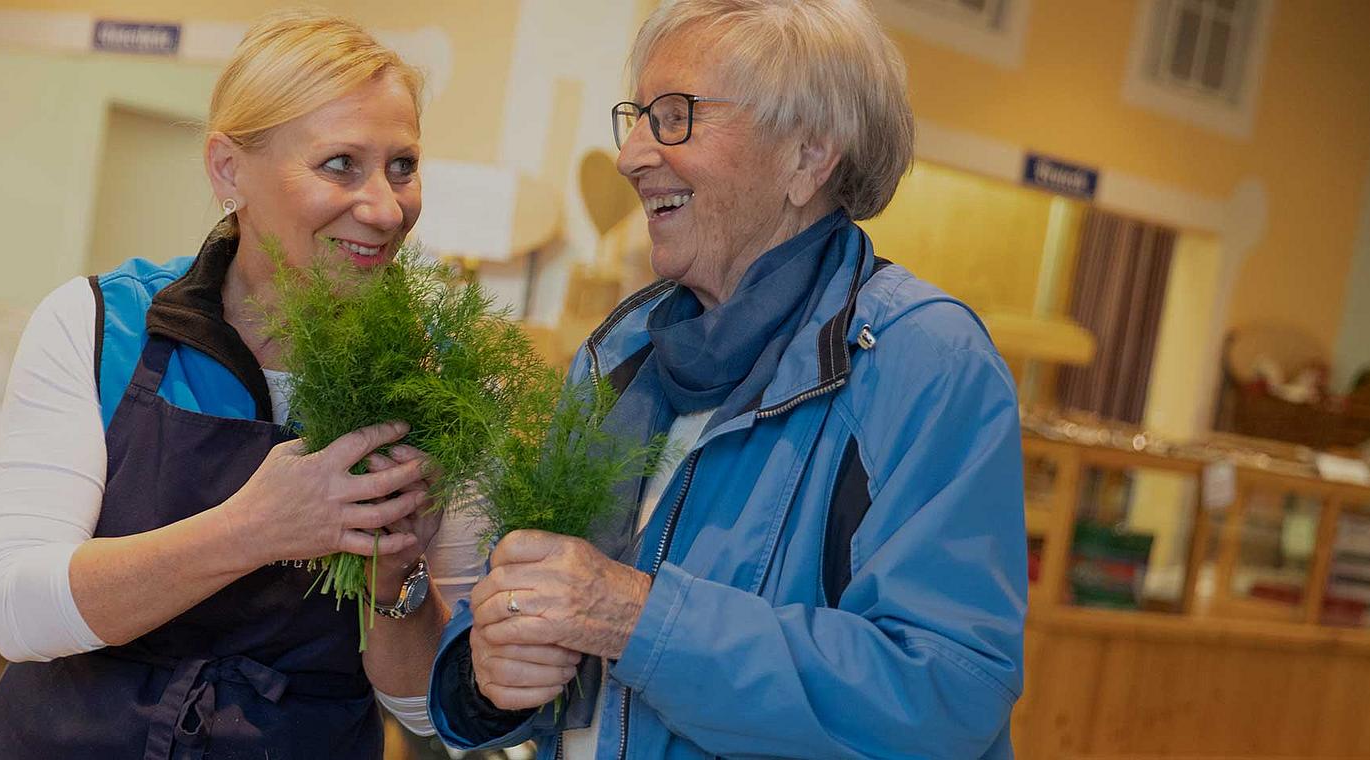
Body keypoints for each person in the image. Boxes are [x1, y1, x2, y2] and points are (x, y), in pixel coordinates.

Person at [426, 1, 1028, 758]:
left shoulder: (923, 359)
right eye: (637, 116)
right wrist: (485, 671)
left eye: (675, 116)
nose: (632, 155)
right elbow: (522, 590)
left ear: (808, 155)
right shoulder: (620, 356)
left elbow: (947, 691)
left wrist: (641, 621)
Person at [0, 11, 487, 759]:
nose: (383, 206)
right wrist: (254, 528)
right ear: (227, 170)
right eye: (340, 163)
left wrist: (395, 579)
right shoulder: (99, 327)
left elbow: (435, 713)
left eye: (402, 165)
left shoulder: (438, 379)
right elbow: (19, 612)